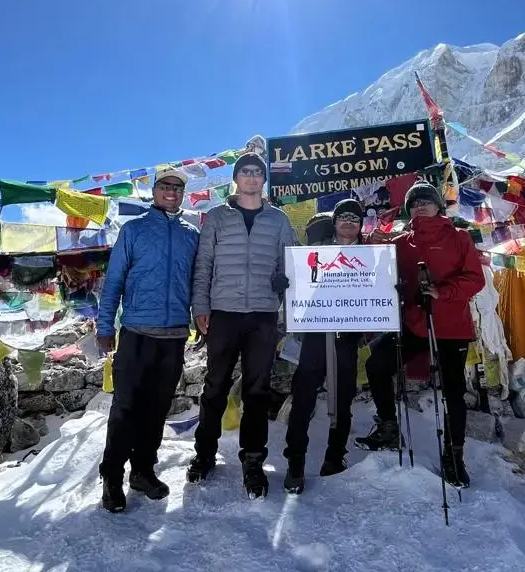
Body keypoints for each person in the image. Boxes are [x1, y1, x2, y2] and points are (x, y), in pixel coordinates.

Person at [356, 180, 485, 488]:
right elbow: (380, 271)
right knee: (377, 364)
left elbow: (474, 279)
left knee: (452, 391)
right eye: (414, 203)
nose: (419, 206)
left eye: (426, 200)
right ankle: (388, 426)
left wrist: (444, 292)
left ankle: (454, 455)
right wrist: (374, 247)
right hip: (414, 323)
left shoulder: (460, 238)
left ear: (439, 205)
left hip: (451, 327)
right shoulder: (401, 242)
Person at [189, 152, 297, 498]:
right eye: (245, 172)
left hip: (263, 315)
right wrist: (201, 306)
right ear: (236, 178)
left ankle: (253, 460)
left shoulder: (279, 220)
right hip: (223, 312)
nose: (251, 177)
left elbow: (290, 261)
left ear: (264, 180)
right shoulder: (217, 218)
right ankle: (204, 453)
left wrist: (284, 282)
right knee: (215, 386)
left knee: (257, 389)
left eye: (257, 172)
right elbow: (203, 264)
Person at [94, 167, 200, 513]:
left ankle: (142, 471)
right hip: (137, 332)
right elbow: (114, 281)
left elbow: (199, 280)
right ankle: (112, 477)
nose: (171, 192)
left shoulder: (191, 234)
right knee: (125, 410)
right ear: (153, 191)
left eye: (177, 187)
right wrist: (105, 325)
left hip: (174, 335)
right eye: (165, 186)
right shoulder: (134, 230)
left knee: (157, 409)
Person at [282, 199, 367, 494]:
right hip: (316, 335)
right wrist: (286, 283)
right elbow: (299, 283)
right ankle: (295, 462)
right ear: (334, 222)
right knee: (303, 397)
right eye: (342, 217)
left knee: (343, 399)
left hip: (348, 337)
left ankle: (334, 458)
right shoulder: (314, 252)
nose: (347, 222)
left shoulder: (372, 255)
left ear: (361, 225)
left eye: (354, 219)